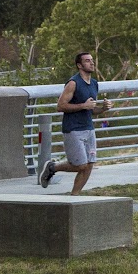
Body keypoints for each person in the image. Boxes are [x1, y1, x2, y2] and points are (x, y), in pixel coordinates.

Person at [40, 52, 111, 195]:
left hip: (88, 128)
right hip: (73, 129)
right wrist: (83, 106)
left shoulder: (94, 84)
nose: (91, 63)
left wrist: (102, 108)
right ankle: (53, 167)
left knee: (89, 165)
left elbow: (91, 110)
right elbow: (60, 106)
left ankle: (75, 195)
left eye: (92, 60)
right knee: (81, 165)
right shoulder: (73, 83)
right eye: (87, 61)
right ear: (79, 65)